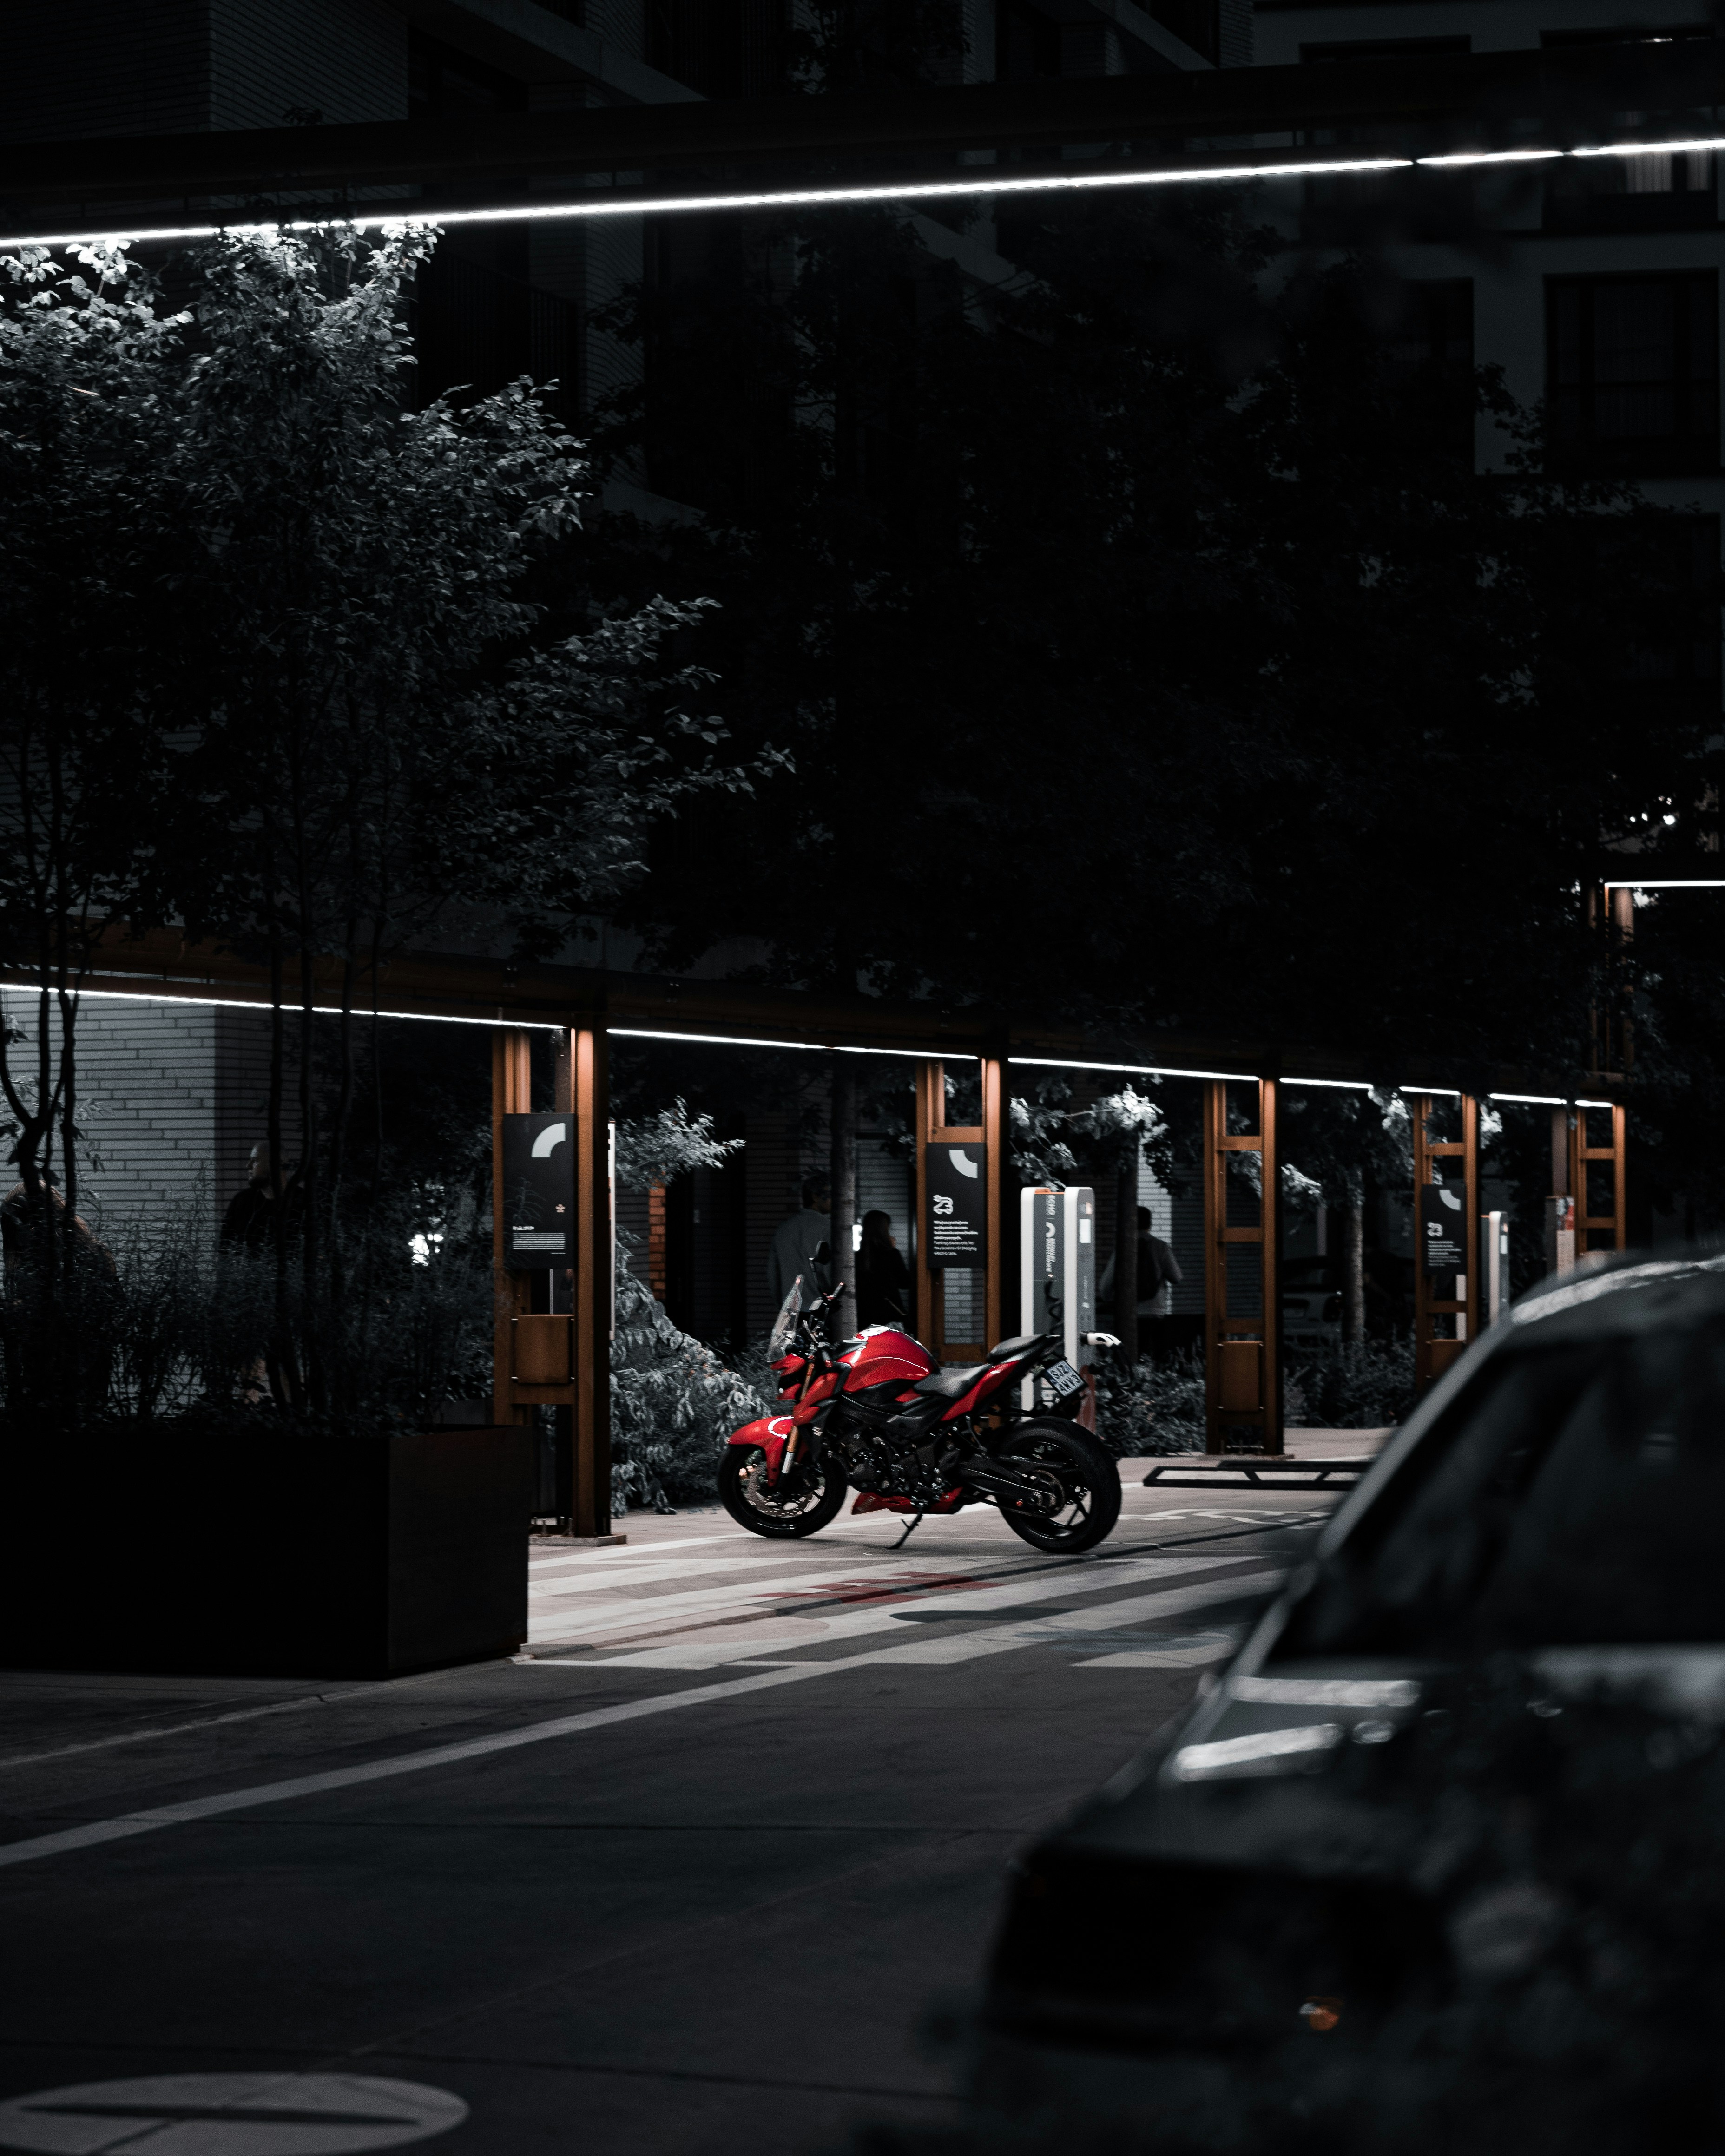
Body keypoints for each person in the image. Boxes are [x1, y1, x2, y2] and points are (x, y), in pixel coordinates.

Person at [1100, 1206, 1184, 1327]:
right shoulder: (1161, 1247)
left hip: (1128, 1311)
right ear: (1150, 1224)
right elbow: (1177, 1278)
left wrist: (1108, 1299)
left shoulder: (1123, 1248)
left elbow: (1106, 1284)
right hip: (1154, 1310)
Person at [767, 1177, 832, 1307]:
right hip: (819, 1309)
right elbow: (830, 1273)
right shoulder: (828, 1228)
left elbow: (773, 1274)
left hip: (790, 1307)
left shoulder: (784, 1228)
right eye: (830, 1194)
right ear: (815, 1197)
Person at [855, 1209, 912, 1329]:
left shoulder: (857, 1257)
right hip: (888, 1316)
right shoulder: (891, 1254)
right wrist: (891, 1248)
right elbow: (905, 1283)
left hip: (864, 1316)